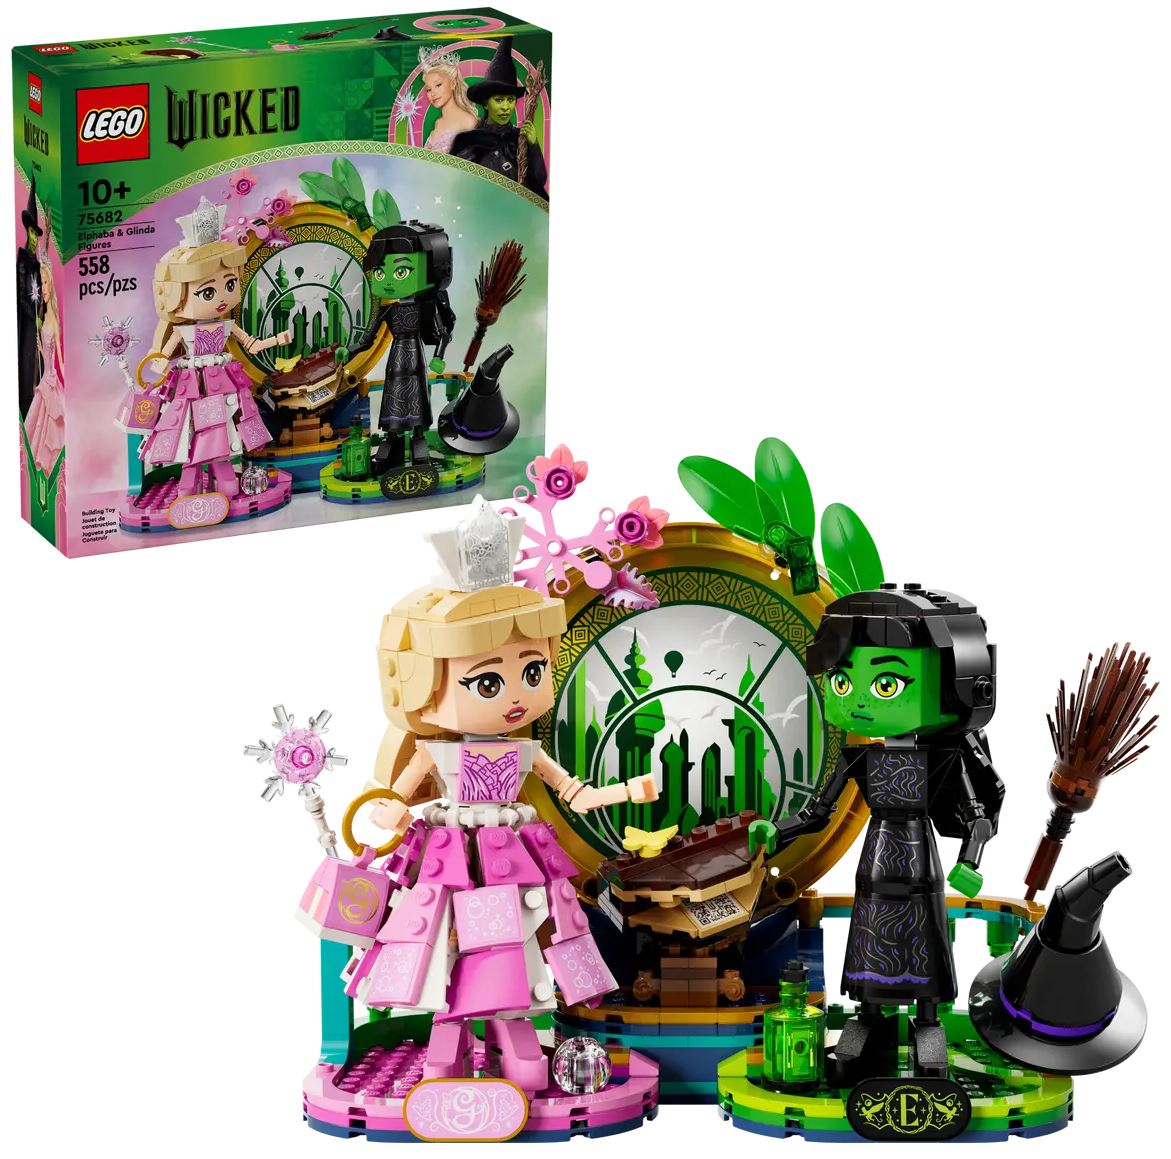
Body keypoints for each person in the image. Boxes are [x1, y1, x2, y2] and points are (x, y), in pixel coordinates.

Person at [344, 499, 658, 1094]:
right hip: (454, 854)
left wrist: (624, 792)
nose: (516, 696)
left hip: (512, 855)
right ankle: (449, 1035)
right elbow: (392, 798)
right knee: (445, 942)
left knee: (518, 941)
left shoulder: (527, 750)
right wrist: (389, 811)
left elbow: (574, 793)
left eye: (532, 673)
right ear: (423, 685)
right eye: (488, 681)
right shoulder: (434, 751)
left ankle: (513, 1028)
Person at [778, 583, 1002, 1080]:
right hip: (876, 865)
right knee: (870, 937)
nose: (857, 700)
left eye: (885, 686)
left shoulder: (944, 759)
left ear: (955, 686)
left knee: (925, 938)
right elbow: (818, 813)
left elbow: (976, 816)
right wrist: (777, 833)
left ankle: (928, 1023)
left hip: (918, 862)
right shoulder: (859, 757)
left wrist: (970, 860)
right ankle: (869, 1017)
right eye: (841, 682)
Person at [139, 197, 290, 498]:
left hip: (222, 384)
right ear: (176, 296)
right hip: (193, 386)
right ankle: (189, 481)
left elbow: (252, 345)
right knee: (191, 431)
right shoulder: (181, 331)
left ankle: (225, 478)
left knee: (224, 430)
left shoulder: (227, 326)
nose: (222, 298)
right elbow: (161, 357)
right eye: (208, 292)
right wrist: (154, 371)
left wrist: (276, 340)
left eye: (230, 285)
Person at [450, 36, 548, 199]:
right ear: (485, 104)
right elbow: (457, 186)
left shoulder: (520, 137)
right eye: (499, 100)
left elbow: (539, 181)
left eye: (510, 100)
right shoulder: (467, 141)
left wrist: (533, 145)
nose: (505, 107)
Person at [24, 242, 64, 472]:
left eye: (46, 283)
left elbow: (60, 361)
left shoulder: (54, 321)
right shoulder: (43, 316)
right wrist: (40, 349)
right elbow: (48, 353)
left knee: (51, 427)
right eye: (41, 284)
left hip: (52, 381)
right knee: (38, 425)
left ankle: (52, 467)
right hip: (45, 380)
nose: (44, 288)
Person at [17, 175, 44, 418]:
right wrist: (33, 315)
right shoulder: (24, 261)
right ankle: (26, 413)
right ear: (27, 232)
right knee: (28, 365)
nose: (34, 237)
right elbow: (22, 293)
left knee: (41, 365)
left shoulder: (38, 262)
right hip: (28, 324)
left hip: (40, 322)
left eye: (37, 233)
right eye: (31, 232)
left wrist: (42, 313)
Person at [416, 45, 478, 153]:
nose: (433, 93)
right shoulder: (438, 123)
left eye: (438, 85)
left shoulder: (468, 121)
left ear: (453, 84)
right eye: (428, 90)